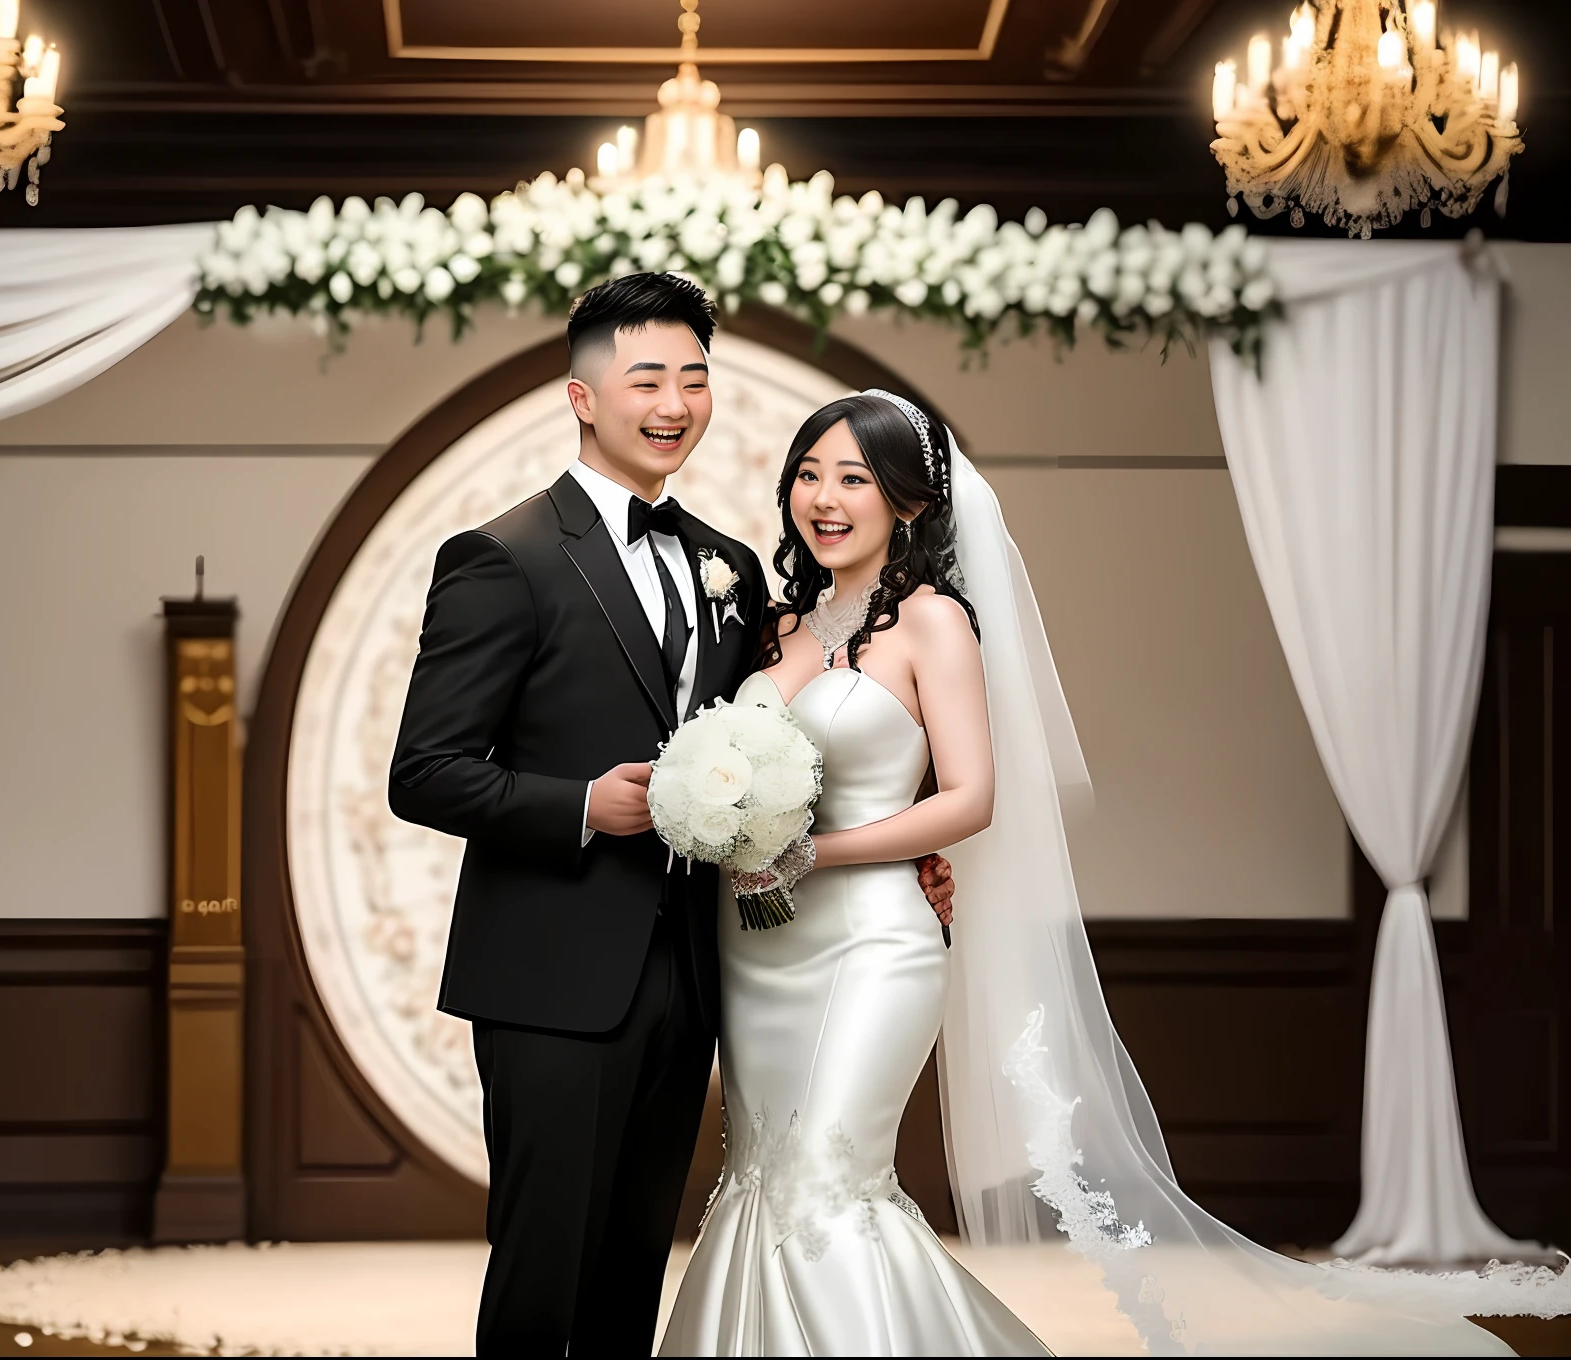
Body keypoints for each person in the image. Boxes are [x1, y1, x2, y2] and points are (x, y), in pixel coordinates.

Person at [662, 390, 1523, 1356]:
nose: (823, 498)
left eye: (852, 478)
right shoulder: (773, 629)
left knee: (828, 1180)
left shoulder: (935, 623)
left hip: (871, 941)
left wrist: (823, 852)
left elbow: (970, 798)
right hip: (763, 948)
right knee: (763, 1177)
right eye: (808, 476)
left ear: (906, 502)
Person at [387, 276, 956, 1355]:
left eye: (693, 378)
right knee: (541, 1268)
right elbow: (423, 772)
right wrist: (582, 807)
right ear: (580, 396)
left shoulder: (731, 570)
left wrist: (911, 835)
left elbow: (791, 742)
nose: (673, 401)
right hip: (547, 976)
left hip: (698, 974)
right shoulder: (497, 558)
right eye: (645, 377)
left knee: (629, 1273)